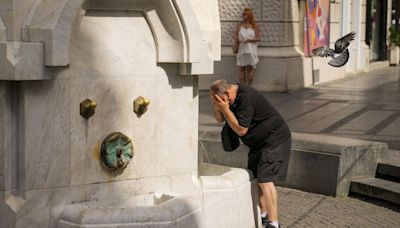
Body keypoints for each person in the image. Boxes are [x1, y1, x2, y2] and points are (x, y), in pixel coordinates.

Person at [209, 79, 291, 228]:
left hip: (274, 139)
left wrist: (226, 109)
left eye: (220, 98)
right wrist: (217, 105)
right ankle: (263, 215)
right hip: (257, 143)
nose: (221, 102)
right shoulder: (229, 98)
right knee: (255, 176)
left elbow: (241, 130)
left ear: (226, 93)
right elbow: (219, 119)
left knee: (265, 179)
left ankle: (274, 223)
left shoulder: (246, 96)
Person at [232, 8, 261, 86]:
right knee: (241, 69)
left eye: (245, 14)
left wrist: (249, 40)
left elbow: (258, 38)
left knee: (250, 70)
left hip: (251, 50)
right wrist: (238, 39)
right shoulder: (239, 25)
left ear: (249, 16)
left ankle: (249, 87)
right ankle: (242, 87)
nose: (243, 16)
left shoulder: (254, 26)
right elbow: (234, 35)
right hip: (242, 50)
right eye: (243, 14)